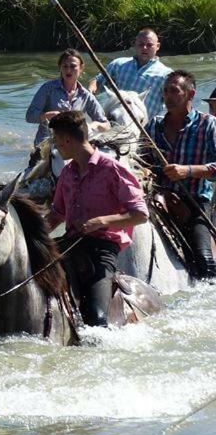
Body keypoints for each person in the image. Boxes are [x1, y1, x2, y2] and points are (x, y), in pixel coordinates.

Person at [45, 111, 149, 326]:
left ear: (67, 140)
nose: (56, 146)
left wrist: (103, 221)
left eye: (56, 141)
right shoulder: (67, 173)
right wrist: (33, 236)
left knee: (96, 317)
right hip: (70, 243)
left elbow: (140, 215)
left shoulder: (112, 169)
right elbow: (57, 214)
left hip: (102, 249)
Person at [145, 70, 216, 279]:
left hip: (194, 200)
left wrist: (188, 171)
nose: (168, 96)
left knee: (204, 260)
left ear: (190, 94)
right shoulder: (154, 125)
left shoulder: (208, 125)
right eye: (166, 91)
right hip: (158, 197)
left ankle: (209, 293)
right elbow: (142, 160)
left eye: (174, 91)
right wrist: (146, 172)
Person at [26, 48, 109, 148]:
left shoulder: (86, 96)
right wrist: (46, 116)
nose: (68, 70)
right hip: (46, 145)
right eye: (65, 66)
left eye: (73, 66)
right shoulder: (48, 89)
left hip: (73, 148)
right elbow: (29, 116)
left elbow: (106, 125)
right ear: (60, 68)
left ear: (81, 68)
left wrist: (94, 125)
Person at [89, 28, 173, 120]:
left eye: (149, 45)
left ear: (157, 46)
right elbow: (98, 80)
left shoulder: (166, 74)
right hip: (117, 122)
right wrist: (92, 88)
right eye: (141, 44)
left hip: (145, 127)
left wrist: (157, 125)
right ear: (135, 44)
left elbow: (170, 105)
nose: (144, 48)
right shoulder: (118, 64)